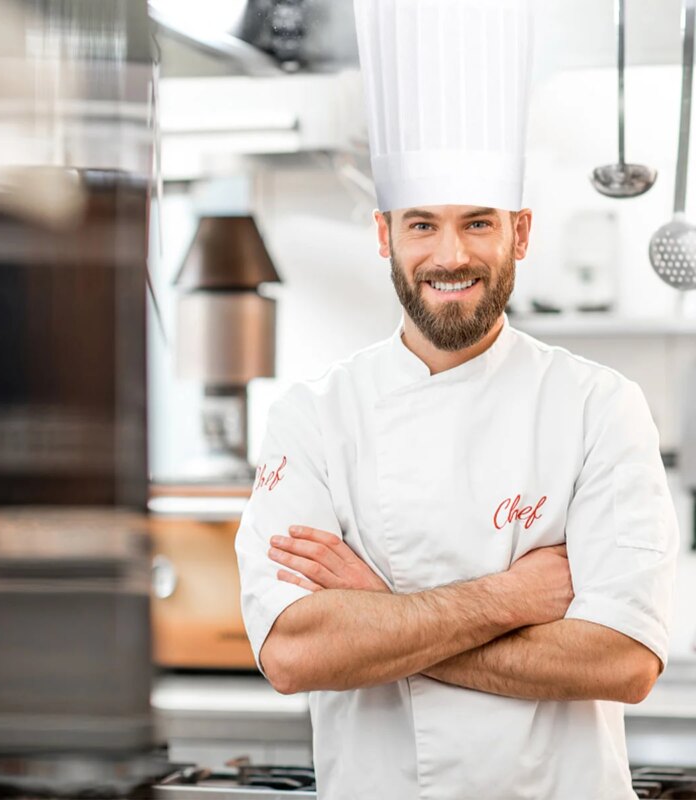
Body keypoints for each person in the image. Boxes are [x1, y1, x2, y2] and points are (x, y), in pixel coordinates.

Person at [235, 2, 679, 798]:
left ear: (522, 232)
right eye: (422, 226)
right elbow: (296, 653)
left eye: (478, 223)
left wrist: (379, 612)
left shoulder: (599, 407)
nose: (451, 255)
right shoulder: (314, 417)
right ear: (384, 236)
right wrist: (511, 597)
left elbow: (622, 660)